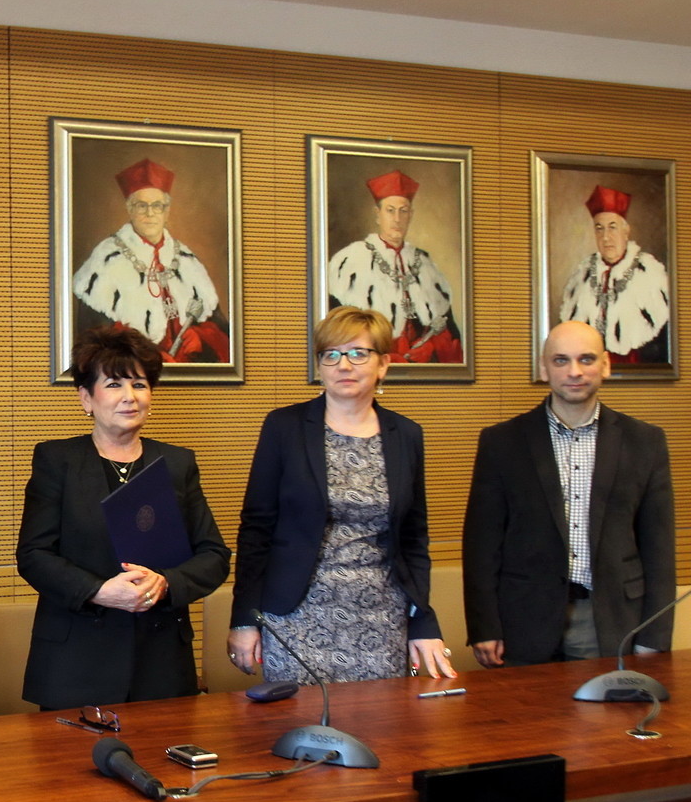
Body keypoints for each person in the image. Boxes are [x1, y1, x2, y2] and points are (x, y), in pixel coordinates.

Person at [229, 305, 455, 684]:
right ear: (320, 366)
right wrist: (243, 619)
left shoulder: (406, 435)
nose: (343, 365)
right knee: (298, 720)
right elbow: (256, 530)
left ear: (383, 364)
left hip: (382, 617)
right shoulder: (284, 427)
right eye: (331, 354)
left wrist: (423, 621)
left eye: (358, 353)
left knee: (380, 719)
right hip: (297, 616)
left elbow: (414, 540)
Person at [17, 324, 230, 708]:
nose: (129, 397)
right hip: (75, 664)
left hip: (162, 663)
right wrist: (98, 591)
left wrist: (166, 582)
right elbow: (34, 555)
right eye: (114, 384)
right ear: (86, 397)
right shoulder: (57, 461)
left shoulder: (177, 463)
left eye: (140, 384)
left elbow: (214, 555)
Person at [463, 321, 675, 666]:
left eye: (586, 359)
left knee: (604, 704)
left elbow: (659, 548)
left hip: (611, 619)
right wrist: (483, 626)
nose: (574, 371)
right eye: (561, 360)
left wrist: (655, 635)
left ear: (605, 365)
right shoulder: (501, 442)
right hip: (523, 620)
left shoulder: (645, 442)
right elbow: (481, 545)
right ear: (544, 368)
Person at [72, 158, 228, 362]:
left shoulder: (187, 261)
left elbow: (222, 333)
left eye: (157, 206)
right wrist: (147, 355)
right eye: (141, 205)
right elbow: (95, 340)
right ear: (129, 209)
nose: (150, 213)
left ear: (167, 211)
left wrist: (199, 337)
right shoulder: (106, 260)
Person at [327, 169, 463, 364]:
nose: (397, 219)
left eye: (403, 211)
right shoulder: (351, 259)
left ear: (411, 215)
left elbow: (448, 332)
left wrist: (429, 348)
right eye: (390, 211)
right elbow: (338, 332)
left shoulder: (425, 262)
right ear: (377, 214)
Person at [556, 185, 671, 365]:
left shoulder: (650, 273)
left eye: (612, 227)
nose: (606, 237)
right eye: (599, 229)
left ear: (626, 231)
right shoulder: (582, 275)